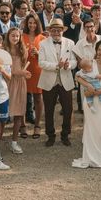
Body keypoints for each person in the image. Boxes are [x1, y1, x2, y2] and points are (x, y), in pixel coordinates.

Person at [72, 40, 101, 168]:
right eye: (99, 49)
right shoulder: (91, 63)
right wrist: (88, 86)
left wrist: (93, 93)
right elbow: (78, 76)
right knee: (91, 129)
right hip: (90, 103)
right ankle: (91, 157)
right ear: (96, 51)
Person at [38, 18, 77, 147]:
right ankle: (50, 135)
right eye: (53, 30)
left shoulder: (70, 43)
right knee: (49, 110)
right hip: (49, 81)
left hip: (65, 80)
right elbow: (41, 63)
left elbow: (74, 61)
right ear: (50, 31)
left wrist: (68, 65)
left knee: (68, 109)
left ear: (62, 31)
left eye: (58, 30)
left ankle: (65, 135)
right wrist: (56, 66)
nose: (56, 32)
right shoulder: (43, 44)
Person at [4, 28, 30, 154]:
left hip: (20, 83)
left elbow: (23, 67)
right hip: (7, 83)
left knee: (19, 113)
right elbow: (5, 70)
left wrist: (25, 74)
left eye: (17, 36)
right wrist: (20, 72)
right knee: (4, 114)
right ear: (8, 36)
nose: (15, 38)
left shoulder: (23, 51)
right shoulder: (4, 51)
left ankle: (14, 142)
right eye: (13, 35)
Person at [22, 15, 45, 138]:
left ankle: (37, 126)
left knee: (38, 98)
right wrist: (25, 53)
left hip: (37, 70)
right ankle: (22, 125)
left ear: (38, 24)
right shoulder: (21, 37)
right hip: (24, 70)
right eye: (30, 23)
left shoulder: (42, 38)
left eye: (34, 23)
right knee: (23, 99)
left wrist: (38, 53)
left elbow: (47, 57)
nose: (32, 25)